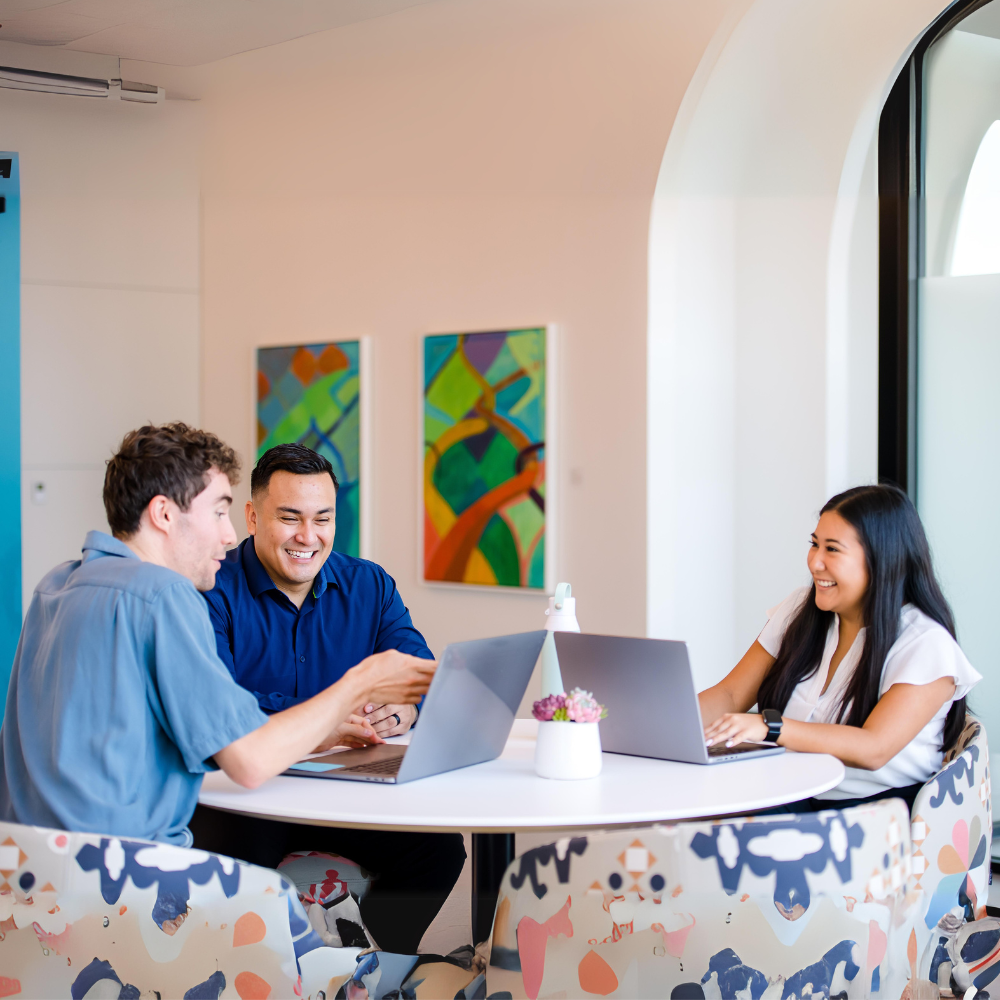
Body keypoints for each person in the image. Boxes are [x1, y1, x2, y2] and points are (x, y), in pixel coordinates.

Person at [0, 423, 458, 954]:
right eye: (219, 511)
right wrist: (357, 685)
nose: (225, 535)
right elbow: (249, 760)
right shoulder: (163, 598)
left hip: (31, 896)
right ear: (164, 514)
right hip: (134, 908)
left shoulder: (58, 583)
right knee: (300, 934)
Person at [192, 443, 464, 953]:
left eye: (323, 518)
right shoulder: (212, 587)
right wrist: (324, 721)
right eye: (289, 518)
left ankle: (375, 963)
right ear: (252, 516)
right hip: (250, 796)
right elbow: (220, 706)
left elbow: (425, 676)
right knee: (235, 869)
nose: (307, 537)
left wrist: (406, 706)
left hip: (345, 793)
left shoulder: (370, 585)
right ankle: (262, 973)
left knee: (439, 852)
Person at [699, 483, 981, 812]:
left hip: (870, 815)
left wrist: (769, 725)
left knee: (707, 825)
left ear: (881, 561)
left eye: (832, 549)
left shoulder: (926, 645)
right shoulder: (800, 609)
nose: (815, 563)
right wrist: (668, 724)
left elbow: (873, 748)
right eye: (814, 544)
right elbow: (731, 695)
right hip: (787, 789)